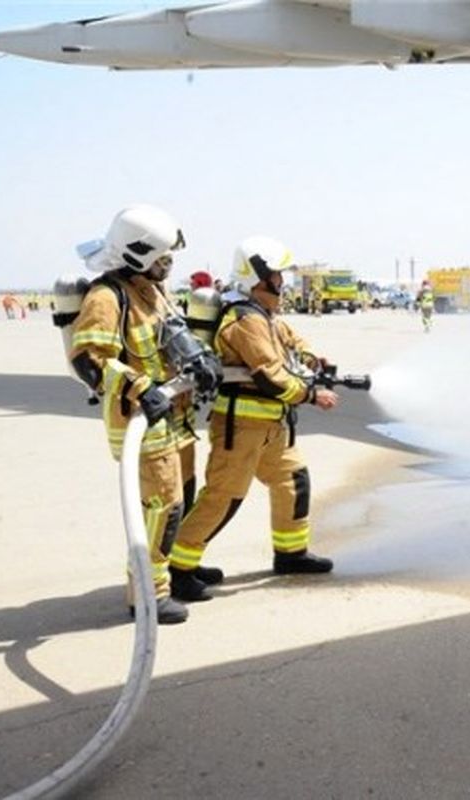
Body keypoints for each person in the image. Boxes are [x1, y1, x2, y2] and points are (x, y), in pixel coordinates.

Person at [69, 205, 219, 625]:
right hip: (142, 423)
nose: (168, 266)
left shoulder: (151, 289)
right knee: (163, 508)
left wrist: (202, 360)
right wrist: (140, 387)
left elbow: (171, 335)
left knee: (182, 497)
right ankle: (148, 595)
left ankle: (174, 573)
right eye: (161, 258)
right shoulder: (106, 296)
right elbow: (89, 359)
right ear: (135, 254)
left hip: (175, 417)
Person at [170, 236, 338, 603]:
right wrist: (311, 394)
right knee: (223, 497)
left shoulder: (265, 316)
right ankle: (179, 568)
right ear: (257, 277)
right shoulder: (244, 318)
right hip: (242, 427)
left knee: (293, 481)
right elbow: (268, 374)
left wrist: (312, 358)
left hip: (273, 426)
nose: (282, 282)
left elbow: (290, 339)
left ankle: (291, 554)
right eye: (276, 275)